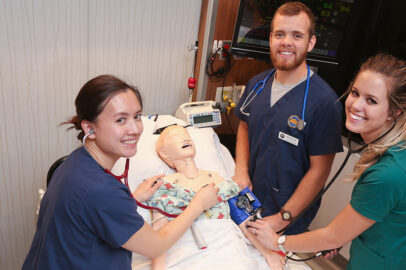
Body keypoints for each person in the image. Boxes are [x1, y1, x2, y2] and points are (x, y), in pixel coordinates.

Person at [247, 53, 406, 270]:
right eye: (355, 93)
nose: (355, 105)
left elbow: (332, 236)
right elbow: (384, 211)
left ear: (395, 111)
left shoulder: (389, 173)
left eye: (371, 100)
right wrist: (342, 235)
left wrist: (277, 241)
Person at [22, 75, 219, 270]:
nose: (134, 129)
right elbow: (155, 246)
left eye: (137, 116)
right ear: (90, 129)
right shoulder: (103, 191)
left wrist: (134, 198)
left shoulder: (73, 163)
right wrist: (198, 204)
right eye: (120, 120)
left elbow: (90, 214)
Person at [233, 1, 343, 235]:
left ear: (311, 43)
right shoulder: (257, 84)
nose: (286, 42)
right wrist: (241, 170)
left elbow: (319, 172)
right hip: (249, 202)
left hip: (286, 219)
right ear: (270, 38)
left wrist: (282, 219)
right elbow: (244, 124)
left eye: (297, 35)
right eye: (280, 34)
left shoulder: (324, 103)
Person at [145, 125, 286, 270]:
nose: (186, 138)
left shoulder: (218, 179)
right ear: (165, 153)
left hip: (227, 246)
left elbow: (244, 221)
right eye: (176, 137)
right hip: (188, 251)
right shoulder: (164, 185)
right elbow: (159, 232)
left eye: (187, 135)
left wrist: (267, 254)